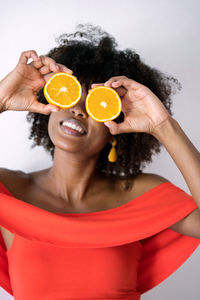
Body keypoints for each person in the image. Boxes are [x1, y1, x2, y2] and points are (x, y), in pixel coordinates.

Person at [0, 24, 199, 300]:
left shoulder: (141, 195)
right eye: (69, 94)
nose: (78, 110)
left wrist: (164, 126)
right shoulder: (8, 192)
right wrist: (2, 98)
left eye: (97, 104)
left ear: (116, 126)